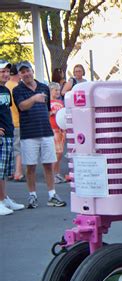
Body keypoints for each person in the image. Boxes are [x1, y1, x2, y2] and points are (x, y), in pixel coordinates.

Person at [12, 61, 66, 208]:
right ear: (20, 75)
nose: (26, 74)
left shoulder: (44, 87)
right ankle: (32, 196)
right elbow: (22, 107)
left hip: (46, 132)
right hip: (29, 134)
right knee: (31, 167)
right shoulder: (18, 90)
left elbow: (48, 109)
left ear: (32, 71)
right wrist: (34, 98)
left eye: (27, 70)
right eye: (22, 72)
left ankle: (52, 195)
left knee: (49, 164)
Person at [0, 60, 25, 215]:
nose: (5, 74)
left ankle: (4, 199)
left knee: (3, 172)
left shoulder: (5, 90)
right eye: (2, 71)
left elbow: (7, 111)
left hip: (8, 133)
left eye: (7, 71)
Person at [5, 63, 24, 182]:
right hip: (17, 122)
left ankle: (11, 171)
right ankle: (18, 173)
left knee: (11, 148)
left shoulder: (6, 86)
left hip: (8, 122)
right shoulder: (17, 87)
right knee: (19, 149)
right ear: (17, 74)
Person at [48, 82, 66, 184]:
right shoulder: (48, 103)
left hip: (61, 129)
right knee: (57, 152)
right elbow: (46, 115)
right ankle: (52, 174)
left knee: (60, 152)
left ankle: (57, 172)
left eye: (59, 90)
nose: (58, 92)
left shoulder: (60, 102)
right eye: (56, 90)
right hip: (53, 128)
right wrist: (52, 113)